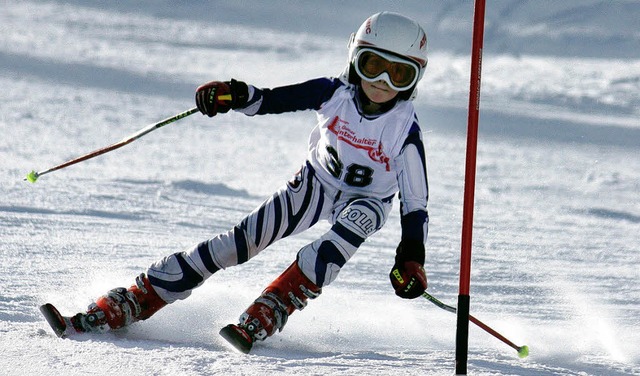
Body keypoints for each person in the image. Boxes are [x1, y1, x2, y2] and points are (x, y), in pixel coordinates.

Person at [42, 11, 430, 353]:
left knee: (331, 247)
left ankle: (274, 305)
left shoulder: (405, 132)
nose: (381, 81)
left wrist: (410, 258)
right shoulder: (333, 94)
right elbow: (272, 99)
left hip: (366, 201)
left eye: (398, 73)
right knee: (239, 243)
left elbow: (415, 203)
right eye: (372, 64)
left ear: (414, 78)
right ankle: (136, 298)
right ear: (353, 59)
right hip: (317, 182)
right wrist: (232, 95)